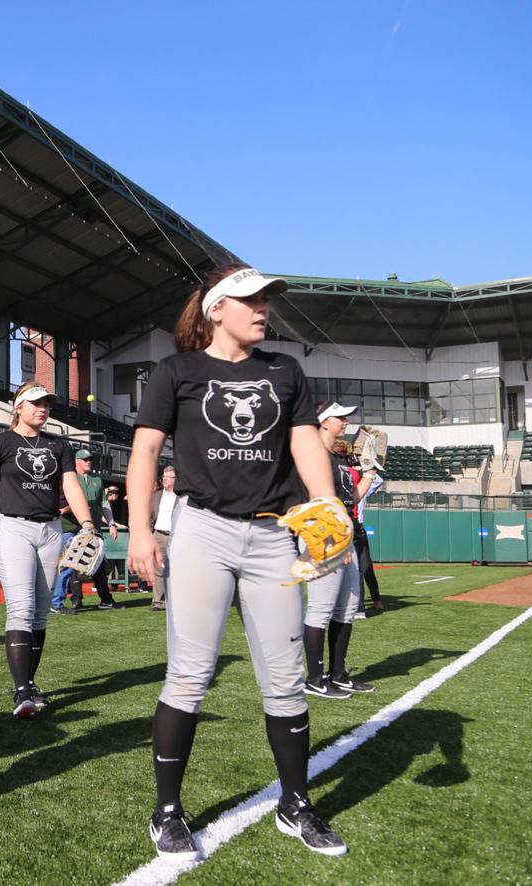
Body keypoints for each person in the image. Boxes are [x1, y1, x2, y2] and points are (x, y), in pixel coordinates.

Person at [128, 264, 348, 861]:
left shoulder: (285, 371)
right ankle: (166, 812)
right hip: (202, 532)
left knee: (284, 679)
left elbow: (305, 441)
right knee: (190, 675)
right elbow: (146, 451)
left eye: (266, 302)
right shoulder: (177, 371)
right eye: (250, 300)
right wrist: (142, 531)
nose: (263, 310)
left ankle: (295, 804)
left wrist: (324, 505)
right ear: (215, 309)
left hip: (273, 536)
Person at [0, 381, 96, 718]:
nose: (42, 408)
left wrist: (88, 524)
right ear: (17, 407)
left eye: (47, 403)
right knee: (20, 607)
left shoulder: (58, 446)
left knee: (40, 612)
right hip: (14, 528)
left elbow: (71, 487)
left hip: (50, 530)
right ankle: (22, 693)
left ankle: (30, 682)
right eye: (35, 403)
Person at [304, 402, 375, 698]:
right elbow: (315, 500)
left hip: (345, 533)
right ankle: (314, 679)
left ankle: (338, 674)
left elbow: (351, 499)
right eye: (340, 417)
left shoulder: (337, 457)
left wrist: (370, 473)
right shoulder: (312, 455)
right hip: (325, 535)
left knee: (347, 608)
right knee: (320, 609)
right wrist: (335, 539)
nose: (345, 422)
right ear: (323, 422)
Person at [55, 449, 122, 611]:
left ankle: (106, 600)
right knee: (69, 566)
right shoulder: (69, 478)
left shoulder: (97, 480)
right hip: (71, 528)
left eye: (90, 459)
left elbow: (104, 505)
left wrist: (111, 523)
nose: (89, 461)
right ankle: (62, 602)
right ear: (77, 462)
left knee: (98, 565)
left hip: (93, 530)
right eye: (85, 459)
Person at [352, 464, 383, 615]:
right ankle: (366, 603)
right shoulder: (343, 489)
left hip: (356, 527)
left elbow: (377, 480)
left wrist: (367, 468)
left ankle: (371, 602)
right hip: (348, 526)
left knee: (364, 568)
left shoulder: (361, 489)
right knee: (361, 568)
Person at [148, 464, 178, 612]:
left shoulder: (182, 497)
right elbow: (149, 517)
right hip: (159, 535)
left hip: (177, 536)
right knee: (158, 570)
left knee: (178, 570)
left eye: (168, 477)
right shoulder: (156, 496)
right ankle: (158, 602)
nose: (164, 480)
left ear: (176, 479)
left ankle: (176, 602)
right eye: (163, 477)